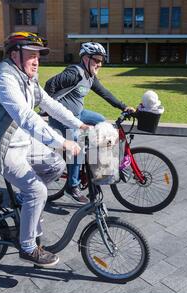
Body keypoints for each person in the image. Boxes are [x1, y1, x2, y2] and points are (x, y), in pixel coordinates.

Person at [0, 32, 90, 267]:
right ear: (15, 55)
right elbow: (26, 117)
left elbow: (50, 104)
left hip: (20, 139)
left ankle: (28, 205)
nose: (37, 60)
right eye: (31, 55)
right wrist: (60, 141)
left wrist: (78, 124)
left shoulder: (27, 78)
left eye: (39, 55)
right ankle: (27, 247)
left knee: (56, 165)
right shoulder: (5, 78)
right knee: (37, 191)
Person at [44, 42, 136, 203]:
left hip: (79, 114)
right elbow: (50, 84)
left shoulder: (90, 77)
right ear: (86, 58)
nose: (99, 64)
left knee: (102, 122)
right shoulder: (74, 73)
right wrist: (47, 108)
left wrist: (123, 106)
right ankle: (72, 186)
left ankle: (96, 166)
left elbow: (105, 93)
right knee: (77, 144)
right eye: (96, 60)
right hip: (62, 116)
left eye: (102, 61)